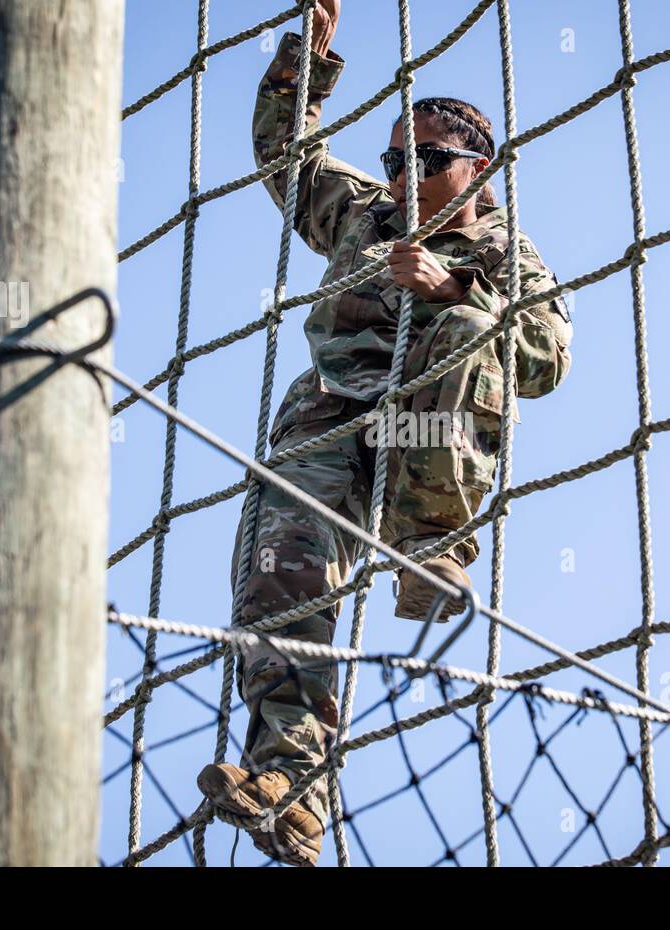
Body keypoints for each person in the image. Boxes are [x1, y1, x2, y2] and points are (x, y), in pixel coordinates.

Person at [197, 0, 572, 866]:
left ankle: (426, 546)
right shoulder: (364, 216)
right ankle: (289, 788)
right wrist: (304, 65)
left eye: (428, 160)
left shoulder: (508, 252)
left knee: (474, 329)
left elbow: (548, 359)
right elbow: (285, 162)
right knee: (278, 578)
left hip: (429, 434)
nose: (403, 173)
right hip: (329, 416)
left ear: (478, 170)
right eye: (396, 158)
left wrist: (452, 289)